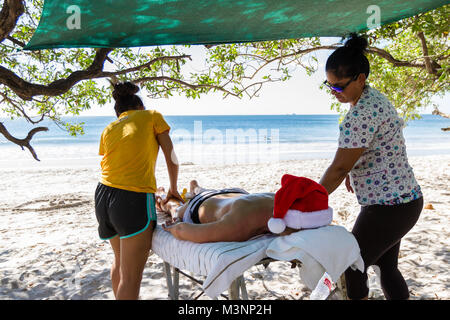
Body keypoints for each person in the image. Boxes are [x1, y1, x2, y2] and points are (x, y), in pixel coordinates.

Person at [318, 34, 423, 300]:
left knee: (352, 266)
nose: (334, 92)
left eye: (339, 87)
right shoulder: (373, 99)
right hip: (404, 199)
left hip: (391, 206)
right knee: (386, 266)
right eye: (329, 86)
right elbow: (376, 148)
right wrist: (356, 171)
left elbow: (339, 168)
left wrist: (312, 199)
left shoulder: (362, 114)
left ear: (361, 79)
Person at [94, 81, 183, 300]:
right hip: (131, 199)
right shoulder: (152, 116)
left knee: (120, 263)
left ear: (119, 113)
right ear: (139, 107)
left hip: (102, 196)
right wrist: (172, 188)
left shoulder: (109, 129)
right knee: (131, 278)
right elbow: (171, 157)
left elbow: (115, 165)